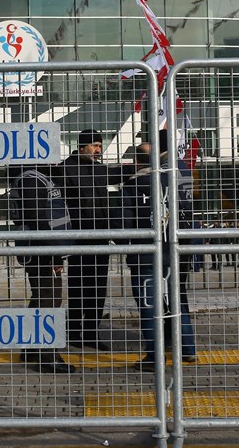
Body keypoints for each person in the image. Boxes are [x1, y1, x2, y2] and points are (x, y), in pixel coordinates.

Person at [122, 137, 196, 371]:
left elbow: (121, 222)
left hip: (145, 252)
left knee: (149, 304)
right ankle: (188, 348)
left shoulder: (134, 185)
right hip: (176, 249)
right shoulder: (177, 176)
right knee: (177, 299)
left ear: (137, 162)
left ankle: (155, 356)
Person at [60, 129, 137, 351]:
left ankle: (92, 332)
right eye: (94, 145)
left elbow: (120, 173)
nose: (98, 150)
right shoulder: (65, 169)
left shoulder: (99, 169)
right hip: (78, 238)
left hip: (101, 238)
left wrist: (144, 163)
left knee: (97, 287)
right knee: (78, 287)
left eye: (100, 146)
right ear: (81, 146)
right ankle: (75, 332)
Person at [8, 164, 76, 374]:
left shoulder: (36, 177)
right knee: (50, 300)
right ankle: (48, 356)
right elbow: (37, 218)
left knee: (41, 298)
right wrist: (53, 252)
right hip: (41, 251)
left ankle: (32, 347)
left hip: (42, 249)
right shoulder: (32, 179)